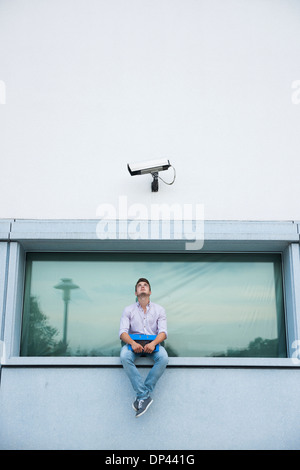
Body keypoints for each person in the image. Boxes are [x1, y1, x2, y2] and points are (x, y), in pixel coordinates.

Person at [119, 278, 168, 417]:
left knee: (163, 358)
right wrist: (133, 344)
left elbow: (163, 332)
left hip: (153, 345)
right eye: (139, 286)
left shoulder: (159, 310)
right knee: (124, 356)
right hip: (133, 344)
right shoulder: (128, 310)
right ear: (135, 292)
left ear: (150, 292)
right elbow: (122, 332)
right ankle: (144, 395)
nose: (142, 287)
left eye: (145, 285)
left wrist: (152, 344)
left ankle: (142, 395)